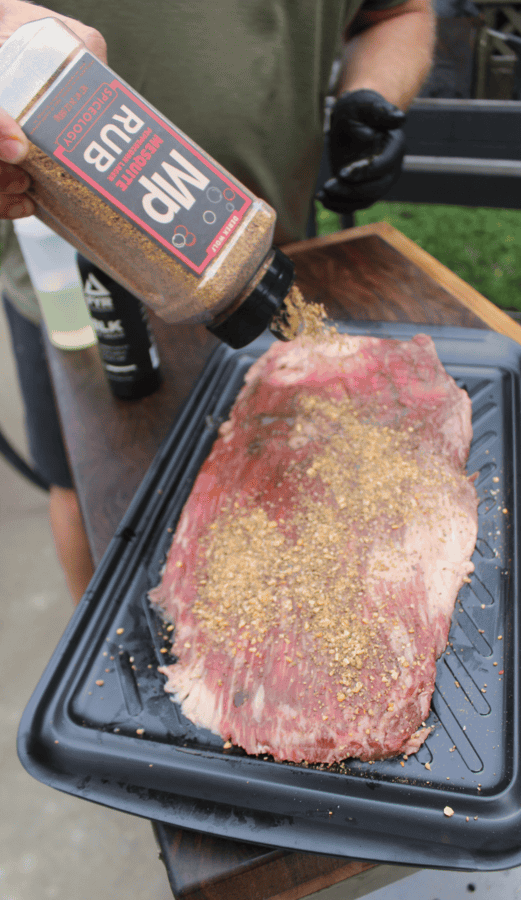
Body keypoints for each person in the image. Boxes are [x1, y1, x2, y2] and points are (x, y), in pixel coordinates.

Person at [0, 0, 435, 602]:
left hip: (268, 240)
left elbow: (397, 13)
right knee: (89, 487)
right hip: (70, 284)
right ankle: (101, 633)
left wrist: (369, 96)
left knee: (296, 455)